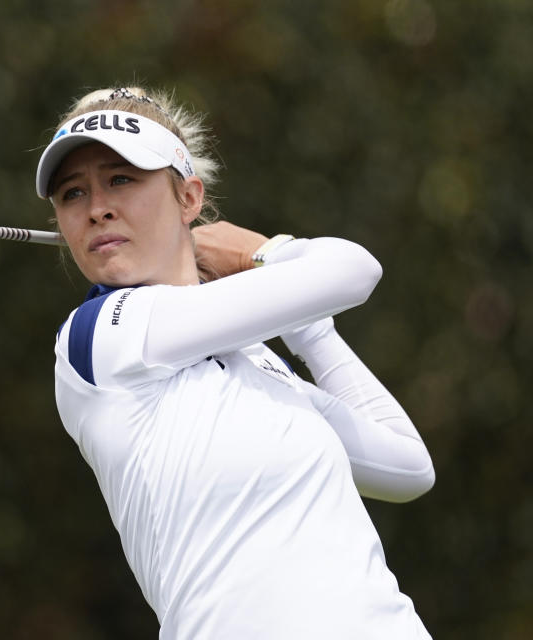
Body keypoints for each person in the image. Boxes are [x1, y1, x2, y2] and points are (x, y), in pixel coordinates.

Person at [34, 87, 436, 639]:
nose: (97, 206)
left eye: (121, 179)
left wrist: (306, 327)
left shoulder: (255, 361)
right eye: (72, 193)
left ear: (189, 199)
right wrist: (264, 254)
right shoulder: (102, 335)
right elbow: (354, 269)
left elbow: (409, 466)